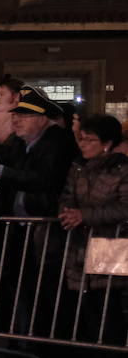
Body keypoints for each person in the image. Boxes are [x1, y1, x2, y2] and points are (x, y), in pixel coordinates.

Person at [58, 115, 128, 341]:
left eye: (90, 140)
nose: (83, 144)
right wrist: (67, 212)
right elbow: (67, 196)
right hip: (81, 243)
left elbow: (124, 207)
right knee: (85, 301)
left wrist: (85, 215)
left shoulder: (121, 170)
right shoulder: (79, 167)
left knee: (107, 302)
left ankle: (110, 355)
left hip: (109, 244)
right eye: (82, 139)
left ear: (106, 143)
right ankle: (91, 353)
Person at [0, 86, 75, 218]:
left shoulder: (58, 142)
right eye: (15, 114)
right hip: (19, 221)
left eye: (24, 115)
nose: (16, 120)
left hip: (44, 220)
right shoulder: (18, 141)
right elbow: (5, 161)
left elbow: (43, 178)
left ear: (42, 119)